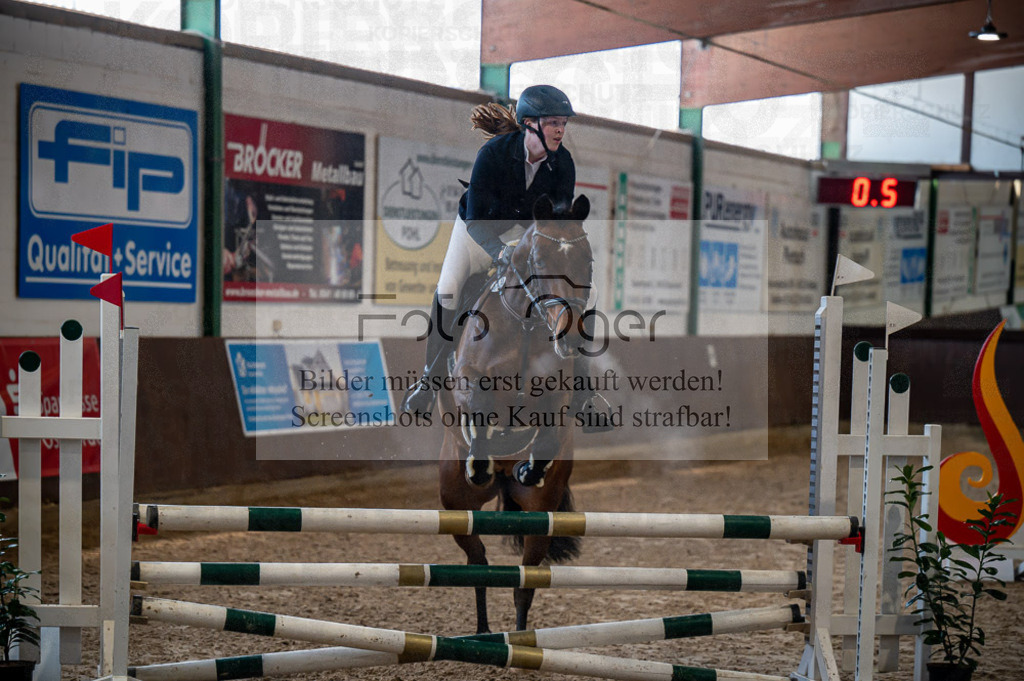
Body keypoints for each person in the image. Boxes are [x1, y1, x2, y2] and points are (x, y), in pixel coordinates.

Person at [401, 85, 612, 443]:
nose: (561, 130)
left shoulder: (564, 163)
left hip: (530, 236)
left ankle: (582, 393)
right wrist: (499, 252)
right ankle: (429, 378)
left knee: (584, 297)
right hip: (479, 230)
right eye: (553, 124)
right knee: (449, 289)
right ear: (529, 125)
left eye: (563, 123)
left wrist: (552, 252)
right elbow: (476, 218)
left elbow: (557, 220)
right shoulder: (493, 154)